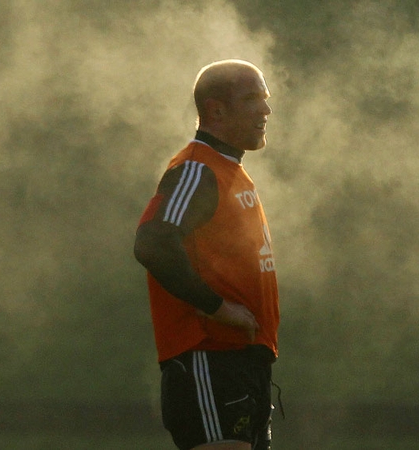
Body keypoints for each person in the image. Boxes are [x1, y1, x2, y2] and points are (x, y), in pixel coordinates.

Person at [134, 59, 279, 450]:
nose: (266, 110)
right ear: (216, 110)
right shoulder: (198, 170)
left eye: (264, 99)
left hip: (241, 363)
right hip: (210, 360)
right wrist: (218, 308)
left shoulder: (231, 170)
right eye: (252, 99)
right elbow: (153, 242)